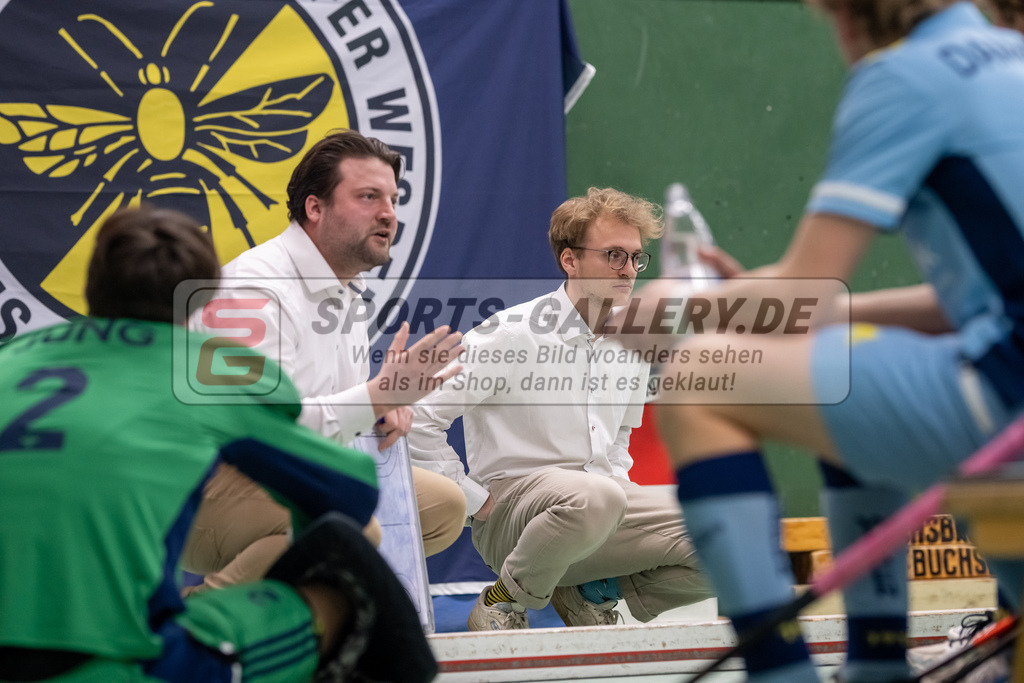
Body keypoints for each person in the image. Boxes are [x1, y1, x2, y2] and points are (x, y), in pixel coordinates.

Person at [613, 1, 1024, 680]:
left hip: (1004, 405)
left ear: (846, 15)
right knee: (849, 361)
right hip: (1000, 408)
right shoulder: (1010, 58)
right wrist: (803, 314)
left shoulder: (903, 75)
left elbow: (800, 290)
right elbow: (949, 310)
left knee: (699, 379)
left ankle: (796, 671)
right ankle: (874, 664)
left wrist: (691, 304)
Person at [0, 206, 444, 682]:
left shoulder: (12, 358)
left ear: (91, 284)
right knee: (349, 575)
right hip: (114, 660)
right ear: (201, 301)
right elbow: (350, 495)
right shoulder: (204, 369)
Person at [408, 187, 713, 631]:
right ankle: (503, 600)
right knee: (598, 496)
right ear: (570, 260)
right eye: (613, 255)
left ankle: (591, 593)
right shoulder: (510, 334)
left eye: (635, 257)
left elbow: (617, 447)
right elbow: (418, 419)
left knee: (727, 528)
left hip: (599, 510)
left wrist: (617, 510)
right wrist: (477, 503)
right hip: (512, 516)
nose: (628, 271)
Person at [185, 130, 467, 592]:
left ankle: (315, 613)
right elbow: (261, 434)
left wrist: (377, 409)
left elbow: (331, 413)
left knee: (441, 508)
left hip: (291, 469)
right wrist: (378, 395)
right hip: (203, 487)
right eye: (368, 197)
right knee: (345, 522)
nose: (389, 215)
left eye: (393, 199)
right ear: (315, 208)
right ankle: (199, 620)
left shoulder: (344, 286)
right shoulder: (254, 288)